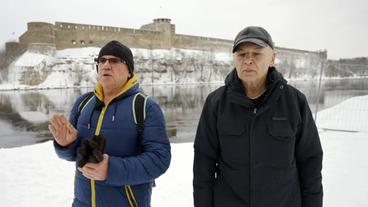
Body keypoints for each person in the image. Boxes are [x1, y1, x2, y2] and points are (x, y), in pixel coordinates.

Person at [193, 26, 323, 207]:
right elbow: (203, 164)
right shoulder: (216, 103)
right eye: (241, 54)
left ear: (272, 58)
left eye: (256, 54)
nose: (248, 60)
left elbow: (310, 163)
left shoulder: (295, 102)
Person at [49, 40, 171, 207]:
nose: (106, 65)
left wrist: (111, 169)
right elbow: (73, 155)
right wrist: (65, 145)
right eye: (102, 60)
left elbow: (159, 159)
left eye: (114, 61)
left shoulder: (144, 107)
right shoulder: (83, 103)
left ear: (129, 71)